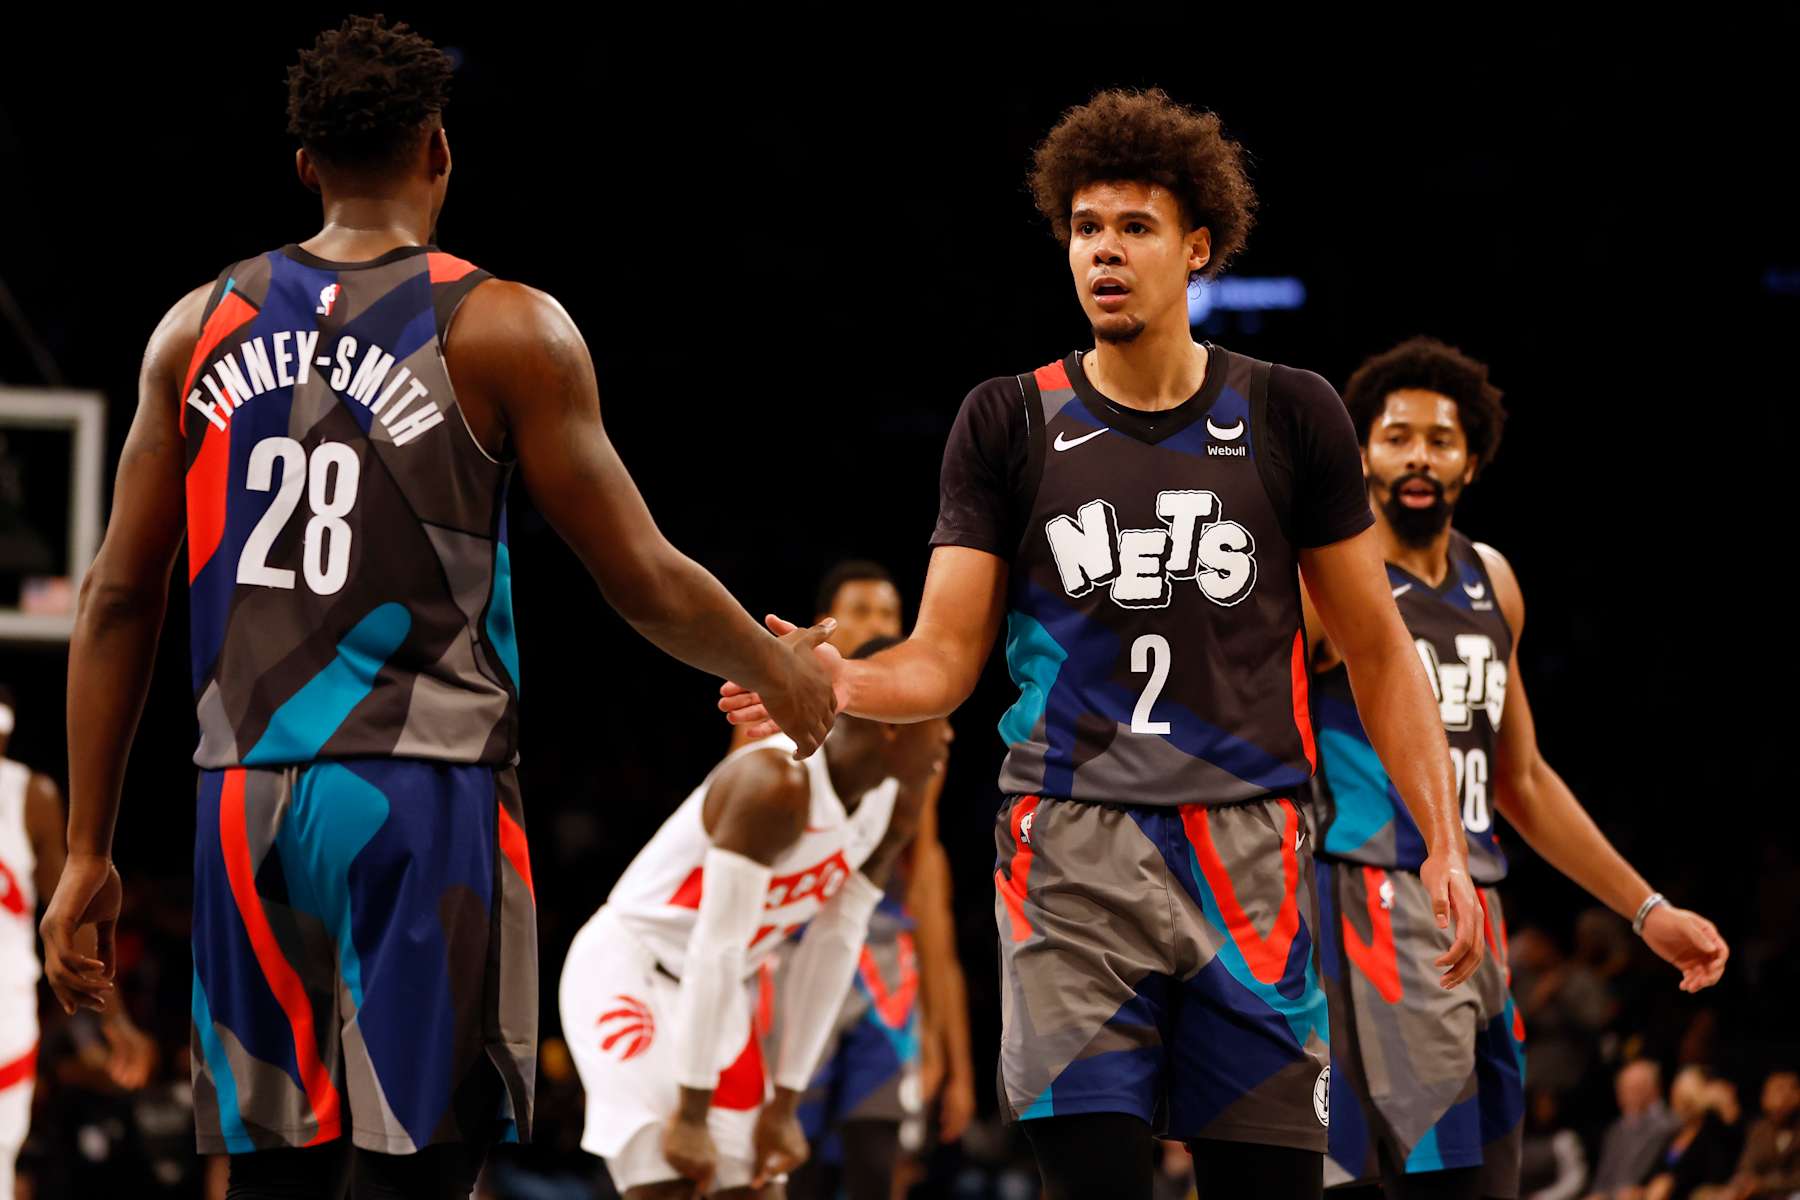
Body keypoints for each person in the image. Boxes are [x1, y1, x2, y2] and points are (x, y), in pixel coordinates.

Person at [35, 16, 836, 1200]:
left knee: (270, 1176)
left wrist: (91, 846)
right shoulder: (503, 326)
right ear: (439, 149)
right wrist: (781, 673)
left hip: (242, 795)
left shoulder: (194, 328)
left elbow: (112, 602)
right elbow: (641, 576)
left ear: (304, 163)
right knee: (423, 1168)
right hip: (420, 788)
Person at [721, 87, 1484, 1200]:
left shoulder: (1291, 411)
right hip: (1068, 859)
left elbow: (1377, 652)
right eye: (1086, 228)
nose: (1105, 253)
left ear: (1198, 247)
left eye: (1135, 227)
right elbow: (946, 657)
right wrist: (840, 678)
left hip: (1252, 858)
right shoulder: (1007, 419)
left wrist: (1444, 844)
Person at [1309, 337, 1729, 1200]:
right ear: (1361, 455)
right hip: (1370, 895)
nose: (1419, 454)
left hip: (1480, 906)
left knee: (1491, 1177)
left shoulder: (1491, 579)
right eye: (1396, 436)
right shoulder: (1328, 581)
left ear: (1472, 460)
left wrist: (1645, 911)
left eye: (1441, 437)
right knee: (1433, 1181)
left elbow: (1524, 781)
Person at [560, 637, 954, 1197]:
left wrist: (786, 1103)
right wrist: (693, 1114)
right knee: (670, 1182)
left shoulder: (896, 804)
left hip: (721, 992)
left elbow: (834, 947)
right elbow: (714, 948)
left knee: (758, 1187)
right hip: (631, 972)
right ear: (893, 725)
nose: (949, 736)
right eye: (939, 719)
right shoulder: (776, 784)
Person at [730, 562, 974, 1200]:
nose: (877, 625)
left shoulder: (921, 734)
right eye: (860, 612)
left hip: (884, 963)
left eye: (890, 615)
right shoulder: (773, 707)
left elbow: (927, 882)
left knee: (878, 1162)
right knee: (789, 1161)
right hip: (789, 951)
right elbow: (732, 843)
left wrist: (953, 1047)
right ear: (821, 628)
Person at [0, 685, 152, 1197]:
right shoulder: (31, 794)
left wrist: (113, 1014)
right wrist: (116, 1018)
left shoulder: (27, 794)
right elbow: (73, 911)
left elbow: (72, 909)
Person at [1585, 1062, 1679, 1200]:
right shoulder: (1616, 1130)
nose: (1625, 1097)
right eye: (1622, 1090)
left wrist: (1646, 1190)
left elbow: (1671, 1164)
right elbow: (1602, 1179)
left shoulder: (1669, 1126)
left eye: (1634, 1089)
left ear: (1653, 1089)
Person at [1643, 1069, 1741, 1200]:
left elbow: (1715, 1174)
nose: (1681, 1107)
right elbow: (1658, 1169)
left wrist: (1673, 1183)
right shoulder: (1675, 1134)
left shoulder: (1712, 1131)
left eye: (1686, 1102)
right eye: (1677, 1100)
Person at [1725, 1070, 1800, 1199]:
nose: (1783, 1098)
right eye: (1776, 1091)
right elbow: (1746, 1165)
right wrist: (1743, 1182)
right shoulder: (1759, 1129)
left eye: (1788, 1090)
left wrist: (1763, 1185)